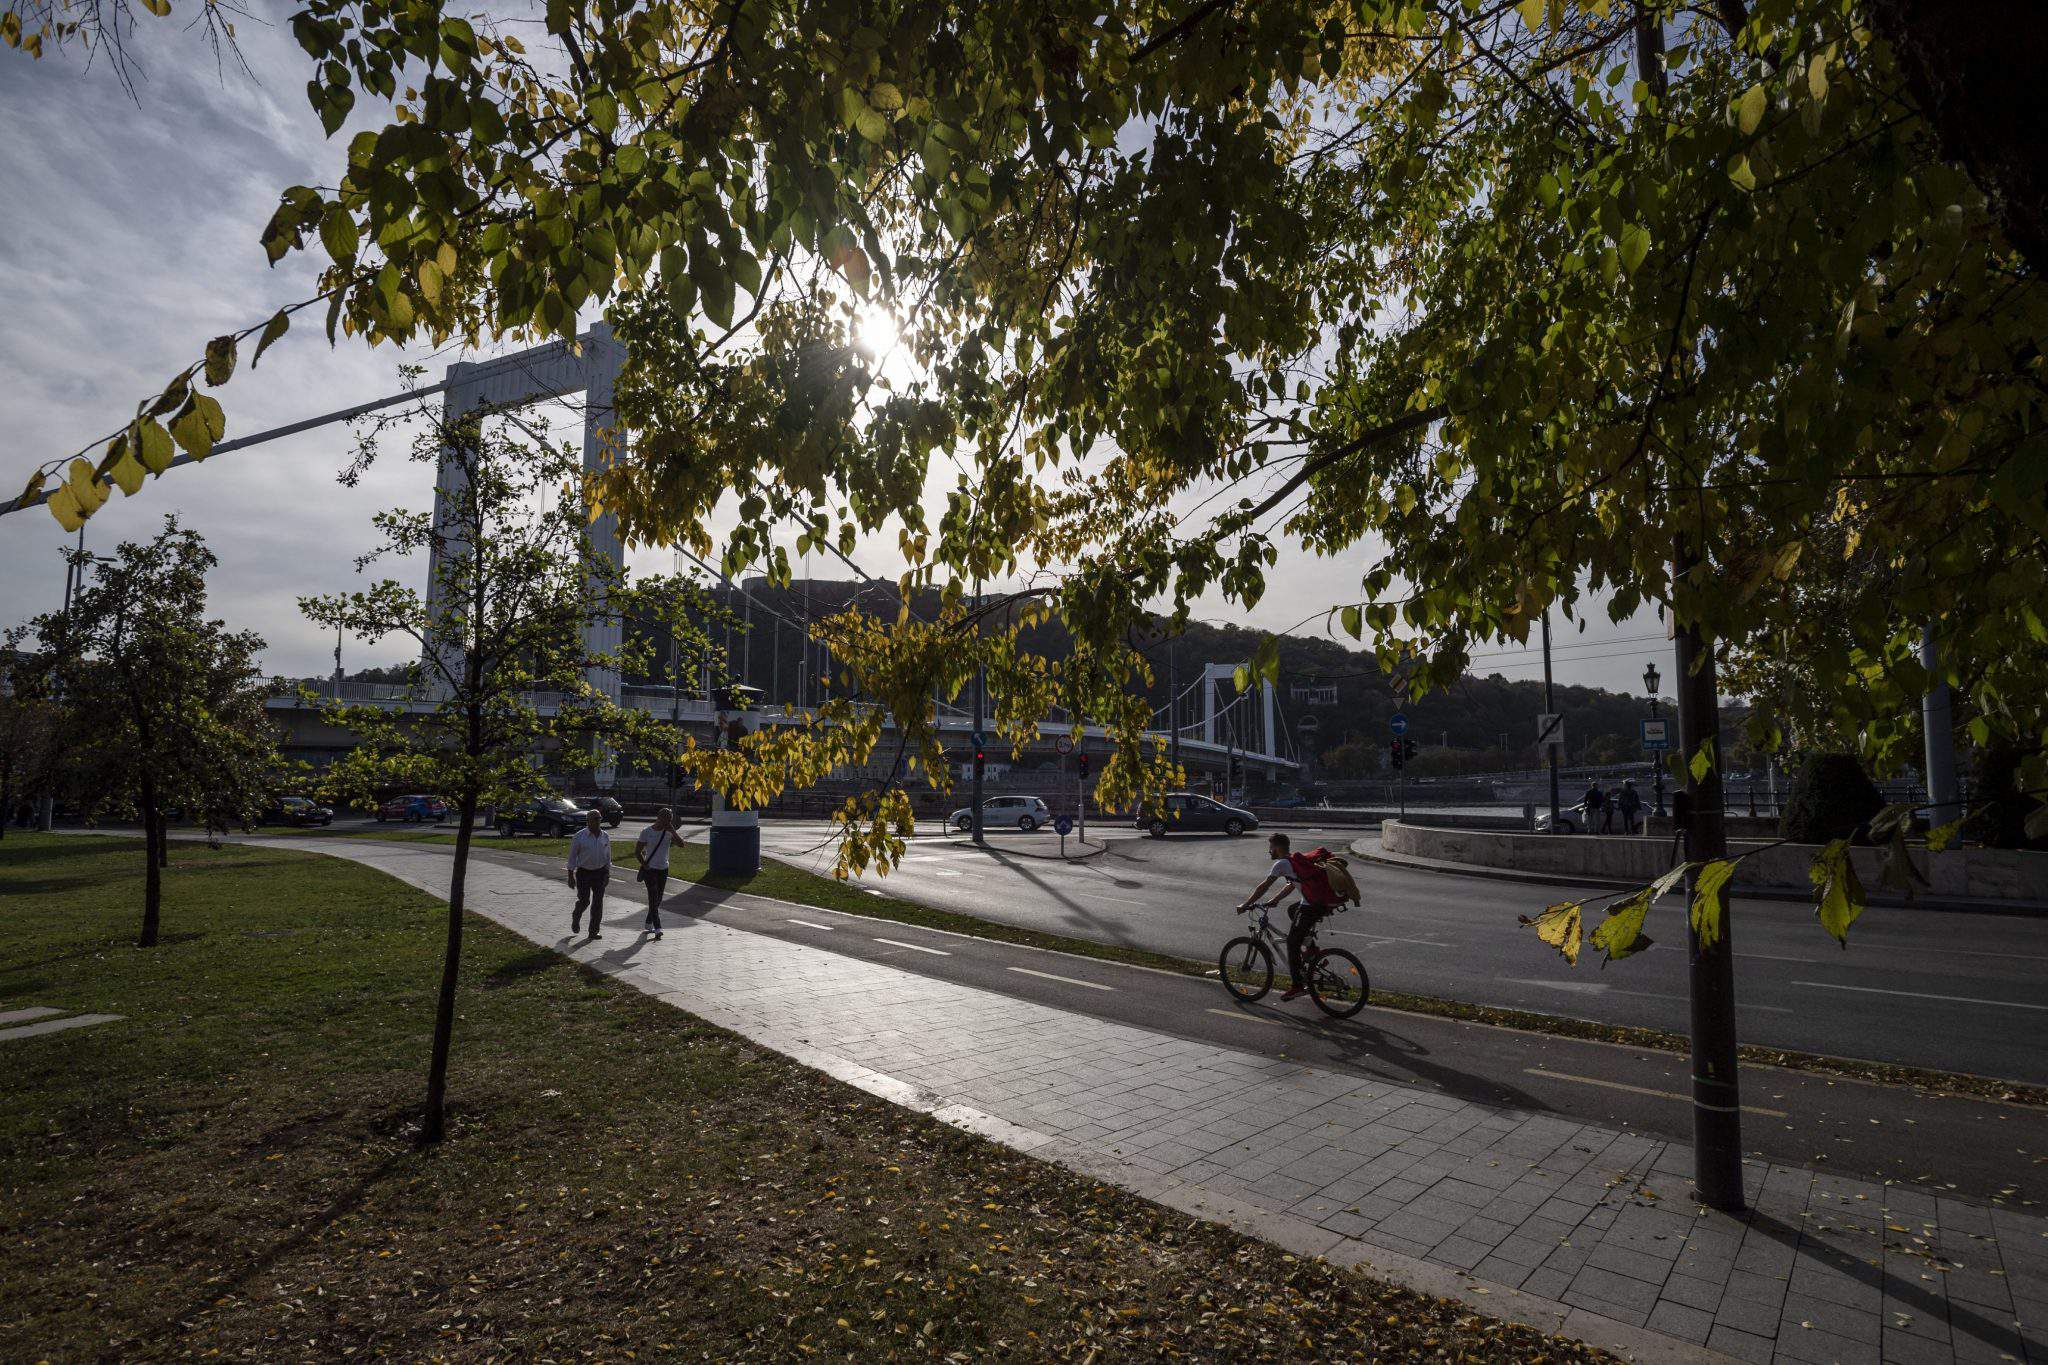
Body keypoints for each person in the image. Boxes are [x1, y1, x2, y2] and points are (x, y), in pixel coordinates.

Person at [1236, 832, 1342, 1002]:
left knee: (1292, 942)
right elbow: (1291, 884)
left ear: (1278, 848)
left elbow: (1264, 886)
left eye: (1271, 847)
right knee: (1292, 910)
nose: (1269, 851)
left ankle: (1297, 986)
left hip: (1311, 906)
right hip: (1319, 902)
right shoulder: (1293, 860)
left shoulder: (1282, 863)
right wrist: (1275, 900)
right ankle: (1312, 951)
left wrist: (1245, 905)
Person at [566, 808, 612, 940]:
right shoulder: (579, 836)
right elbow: (572, 857)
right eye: (595, 819)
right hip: (584, 873)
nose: (598, 821)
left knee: (598, 902)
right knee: (584, 901)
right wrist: (570, 876)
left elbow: (608, 856)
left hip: (600, 872)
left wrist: (607, 873)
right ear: (588, 821)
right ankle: (577, 914)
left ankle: (593, 931)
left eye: (599, 819)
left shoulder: (605, 836)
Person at [634, 807, 676, 939]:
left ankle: (648, 922)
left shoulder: (669, 832)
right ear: (659, 817)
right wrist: (644, 864)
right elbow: (637, 851)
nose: (668, 822)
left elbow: (681, 844)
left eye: (670, 820)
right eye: (666, 819)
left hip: (663, 869)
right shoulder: (647, 832)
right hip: (650, 870)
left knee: (658, 898)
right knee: (653, 897)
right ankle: (657, 928)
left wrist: (673, 831)